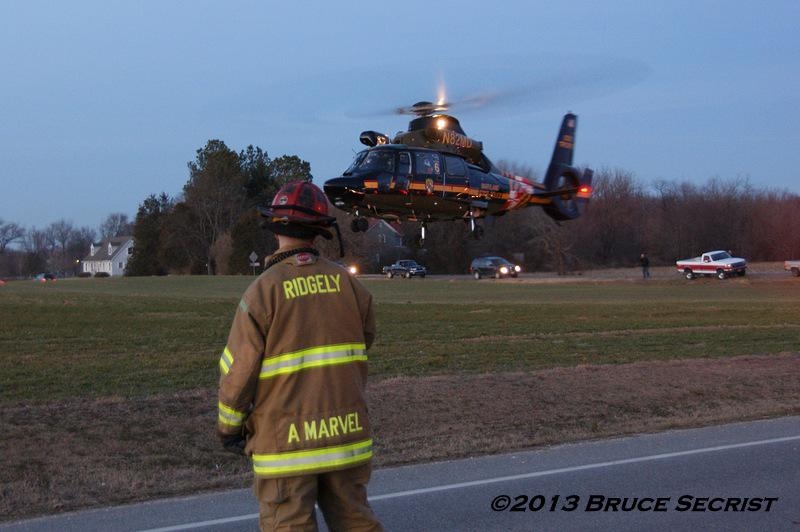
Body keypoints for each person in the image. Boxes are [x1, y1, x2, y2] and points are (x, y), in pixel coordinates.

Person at [217, 180, 382, 531]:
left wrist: (228, 428)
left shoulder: (262, 291)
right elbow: (362, 341)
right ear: (321, 230)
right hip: (346, 436)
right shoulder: (351, 286)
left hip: (285, 447)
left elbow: (239, 371)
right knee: (356, 521)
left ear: (275, 226)